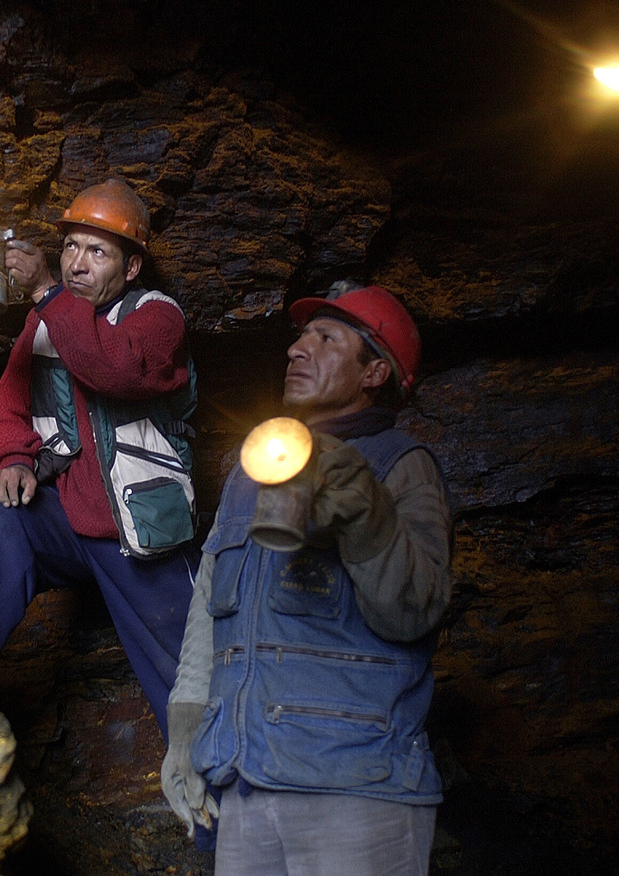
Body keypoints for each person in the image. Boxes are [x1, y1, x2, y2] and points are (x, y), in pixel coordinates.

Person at [161, 282, 454, 876]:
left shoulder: (403, 466)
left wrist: (367, 513)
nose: (298, 348)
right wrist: (186, 730)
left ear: (374, 372)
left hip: (354, 786)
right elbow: (209, 608)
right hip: (247, 779)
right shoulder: (256, 471)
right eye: (300, 336)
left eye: (325, 338)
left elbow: (414, 612)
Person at [0, 180, 199, 734]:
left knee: (195, 689)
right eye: (71, 247)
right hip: (66, 519)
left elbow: (114, 368)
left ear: (130, 268)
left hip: (137, 530)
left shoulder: (157, 316)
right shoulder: (46, 321)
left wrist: (47, 295)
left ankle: (223, 809)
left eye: (97, 251)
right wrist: (11, 458)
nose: (78, 264)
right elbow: (9, 397)